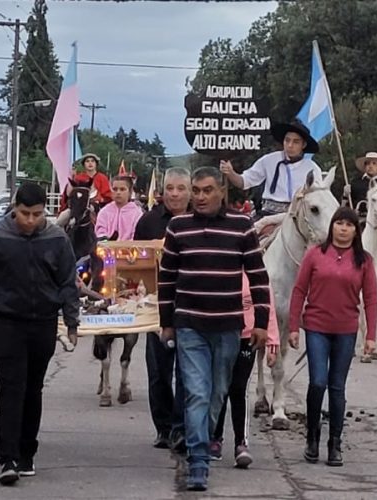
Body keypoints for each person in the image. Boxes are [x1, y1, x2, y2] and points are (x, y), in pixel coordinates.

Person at [158, 167, 270, 492]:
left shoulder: (241, 226)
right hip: (189, 325)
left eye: (207, 190)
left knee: (217, 394)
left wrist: (261, 322)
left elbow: (258, 276)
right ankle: (198, 461)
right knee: (196, 393)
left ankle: (199, 439)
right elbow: (166, 279)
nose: (201, 197)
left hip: (228, 328)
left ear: (222, 191)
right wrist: (167, 323)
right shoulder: (178, 228)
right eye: (196, 190)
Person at [0, 182, 79, 486]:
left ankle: (28, 452)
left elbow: (68, 281)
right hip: (6, 322)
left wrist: (72, 321)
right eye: (25, 213)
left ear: (46, 212)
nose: (30, 220)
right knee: (11, 387)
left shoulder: (57, 238)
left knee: (33, 388)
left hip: (43, 321)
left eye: (37, 214)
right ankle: (8, 458)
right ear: (14, 208)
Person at [288, 206, 377, 467]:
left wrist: (370, 335)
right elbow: (299, 290)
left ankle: (335, 443)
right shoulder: (315, 254)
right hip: (316, 327)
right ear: (332, 227)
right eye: (338, 223)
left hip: (346, 330)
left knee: (337, 387)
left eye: (349, 225)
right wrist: (294, 326)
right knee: (317, 382)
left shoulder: (364, 261)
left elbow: (371, 299)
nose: (343, 229)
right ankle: (312, 437)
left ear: (355, 229)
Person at [133, 167, 191, 452]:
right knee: (158, 371)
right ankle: (163, 428)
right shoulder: (148, 221)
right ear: (163, 191)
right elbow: (133, 263)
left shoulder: (199, 219)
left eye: (181, 188)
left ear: (190, 191)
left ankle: (182, 428)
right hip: (156, 307)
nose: (175, 194)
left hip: (193, 307)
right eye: (170, 188)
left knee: (188, 372)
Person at [210, 277, 279, 469]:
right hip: (222, 333)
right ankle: (215, 438)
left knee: (238, 387)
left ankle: (241, 443)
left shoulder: (254, 272)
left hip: (248, 336)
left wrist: (272, 341)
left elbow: (268, 305)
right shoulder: (221, 265)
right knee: (220, 385)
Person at [219, 120, 322, 216]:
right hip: (270, 213)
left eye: (296, 142)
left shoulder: (312, 168)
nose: (290, 145)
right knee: (253, 232)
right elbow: (244, 182)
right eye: (287, 140)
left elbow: (318, 196)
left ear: (303, 145)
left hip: (300, 215)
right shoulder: (269, 160)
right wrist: (231, 173)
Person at [95, 176, 144, 241]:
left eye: (122, 189)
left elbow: (137, 236)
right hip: (107, 248)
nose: (118, 192)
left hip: (129, 249)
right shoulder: (104, 211)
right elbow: (100, 232)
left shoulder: (137, 213)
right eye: (115, 189)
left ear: (130, 192)